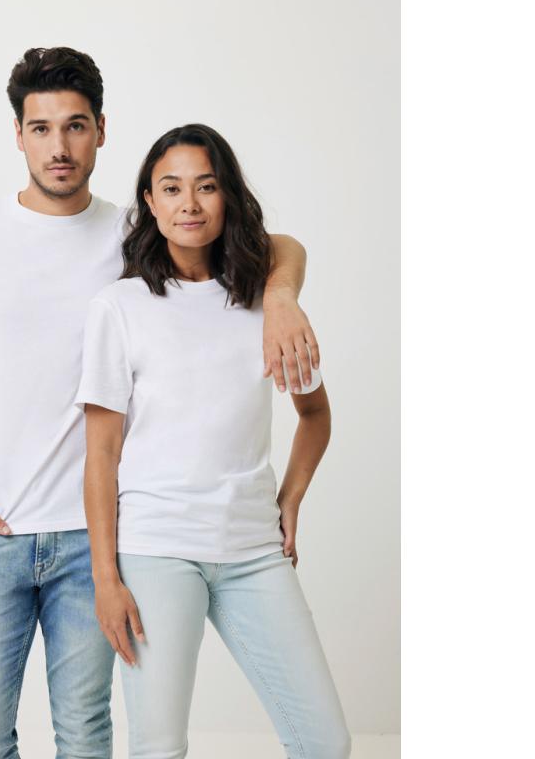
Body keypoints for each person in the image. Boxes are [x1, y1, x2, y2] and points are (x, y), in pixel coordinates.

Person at [0, 48, 318, 759]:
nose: (59, 147)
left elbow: (272, 244)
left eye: (75, 126)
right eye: (41, 128)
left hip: (91, 537)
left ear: (101, 130)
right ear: (18, 134)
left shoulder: (137, 232)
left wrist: (280, 297)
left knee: (86, 732)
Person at [76, 123, 351, 759]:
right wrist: (105, 578)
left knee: (324, 742)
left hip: (253, 549)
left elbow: (314, 414)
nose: (190, 204)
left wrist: (291, 497)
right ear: (149, 201)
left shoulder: (266, 304)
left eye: (206, 186)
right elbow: (101, 455)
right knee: (159, 746)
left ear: (227, 195)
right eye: (171, 188)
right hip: (156, 549)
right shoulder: (119, 308)